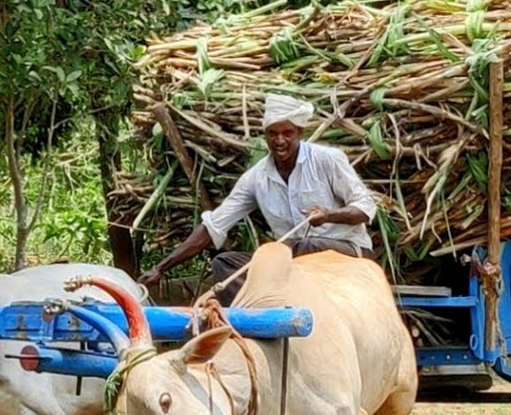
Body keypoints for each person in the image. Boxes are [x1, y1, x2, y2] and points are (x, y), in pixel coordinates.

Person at [139, 92, 379, 304]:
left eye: (287, 133)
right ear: (265, 135)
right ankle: (250, 325)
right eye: (273, 134)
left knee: (303, 247)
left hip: (346, 251)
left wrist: (329, 215)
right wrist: (161, 268)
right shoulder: (256, 178)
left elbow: (365, 209)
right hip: (290, 261)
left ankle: (296, 309)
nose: (280, 140)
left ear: (300, 132)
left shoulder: (327, 159)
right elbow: (213, 227)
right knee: (225, 264)